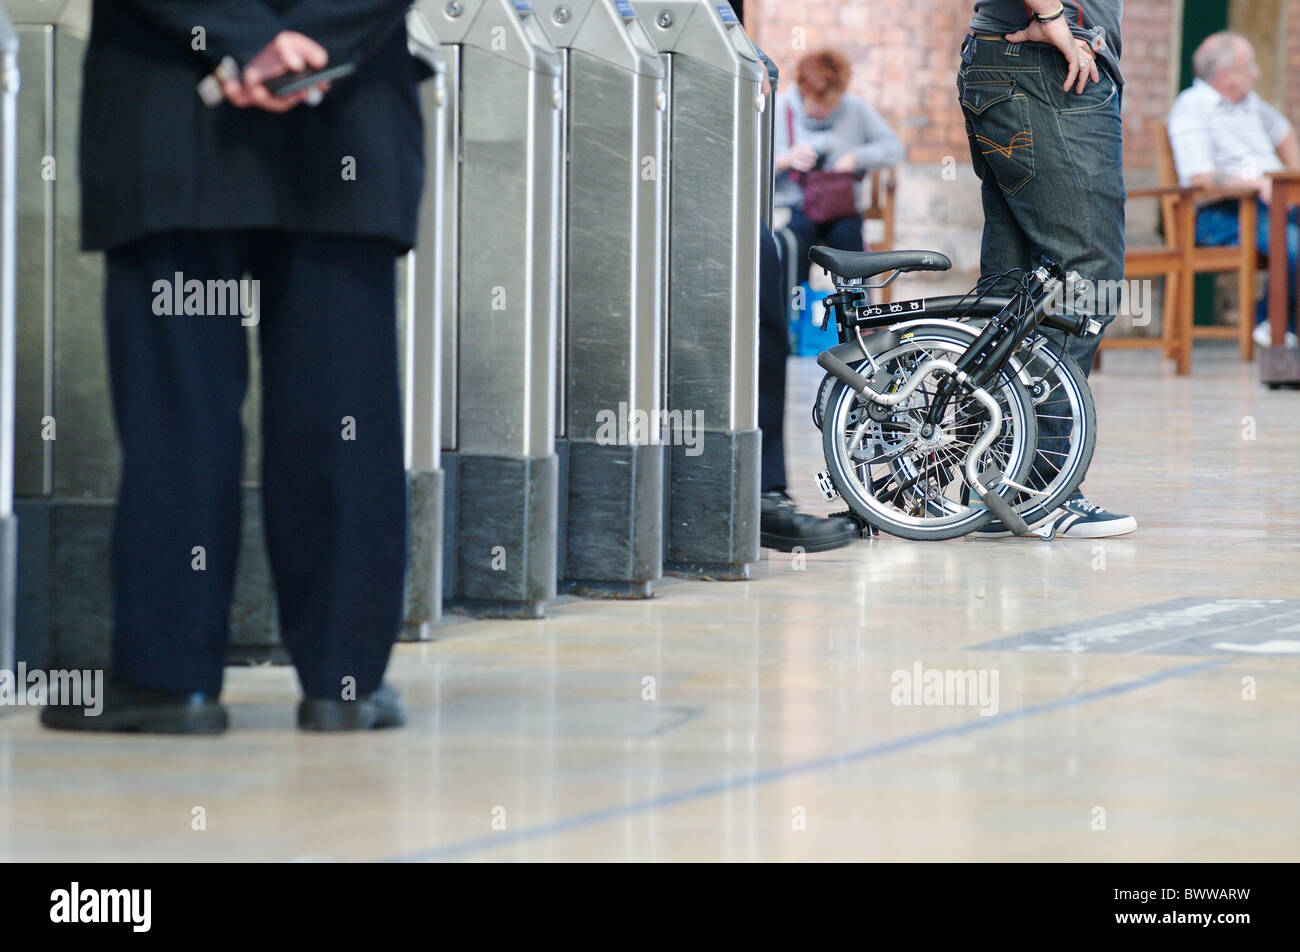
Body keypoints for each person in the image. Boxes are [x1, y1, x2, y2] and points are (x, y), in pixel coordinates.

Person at [41, 0, 426, 734]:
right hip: (341, 116)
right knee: (341, 413)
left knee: (177, 415)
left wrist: (241, 40)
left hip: (175, 116)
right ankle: (341, 682)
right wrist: (309, 39)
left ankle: (170, 681)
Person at [960, 0, 1136, 538]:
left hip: (1014, 68)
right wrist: (1057, 18)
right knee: (1087, 277)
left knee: (1016, 283)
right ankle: (1039, 487)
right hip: (1045, 69)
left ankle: (994, 483)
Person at [1169, 31, 1300, 348]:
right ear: (1225, 74)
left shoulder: (1250, 104)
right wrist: (1259, 184)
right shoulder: (1193, 106)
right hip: (1222, 213)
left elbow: (1283, 131)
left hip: (1274, 203)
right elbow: (1199, 179)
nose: (1255, 73)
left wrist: (1293, 177)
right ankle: (1275, 328)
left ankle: (1278, 325)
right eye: (1249, 66)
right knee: (1293, 245)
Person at [775, 49, 904, 289]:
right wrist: (786, 159)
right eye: (818, 103)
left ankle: (858, 315)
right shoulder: (780, 109)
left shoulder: (855, 108)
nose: (824, 110)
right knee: (792, 244)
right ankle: (792, 317)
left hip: (840, 211)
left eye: (831, 103)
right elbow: (755, 167)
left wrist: (858, 157)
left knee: (850, 243)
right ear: (803, 91)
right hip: (796, 209)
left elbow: (894, 148)